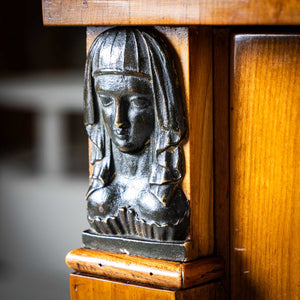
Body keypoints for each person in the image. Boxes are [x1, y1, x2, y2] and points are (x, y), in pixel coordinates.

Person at [84, 27, 189, 241]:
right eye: (106, 101)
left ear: (161, 107)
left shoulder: (163, 200)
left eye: (136, 102)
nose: (118, 121)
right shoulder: (102, 195)